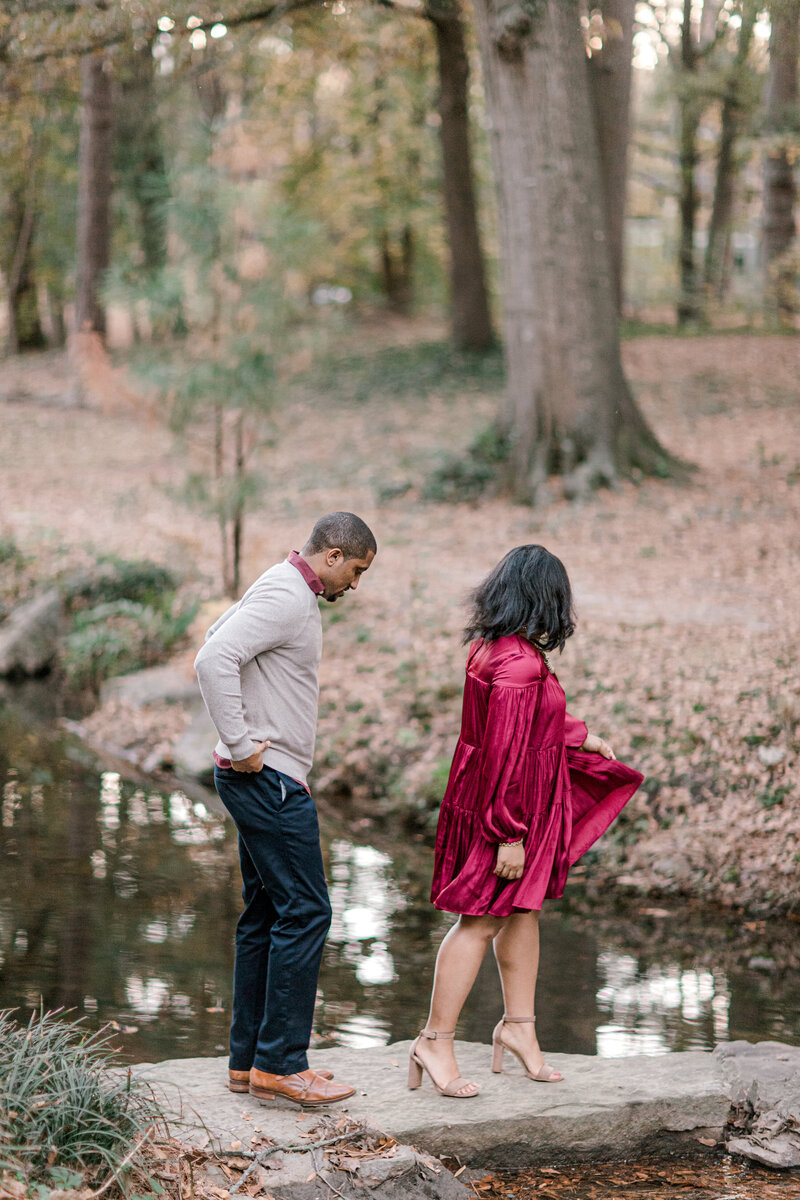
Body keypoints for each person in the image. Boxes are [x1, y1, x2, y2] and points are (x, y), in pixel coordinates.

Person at [409, 544, 643, 1099]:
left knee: (522, 912)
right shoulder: (519, 664)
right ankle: (434, 1041)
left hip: (506, 798)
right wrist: (507, 833)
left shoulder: (496, 649)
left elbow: (521, 724)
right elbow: (505, 752)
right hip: (507, 807)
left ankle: (518, 1028)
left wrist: (578, 734)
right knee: (482, 919)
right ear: (548, 599)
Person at [195, 512, 376, 1107]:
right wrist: (243, 744)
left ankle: (249, 1062)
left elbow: (217, 643)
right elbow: (212, 659)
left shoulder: (281, 584)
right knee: (307, 912)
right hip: (268, 781)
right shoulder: (287, 595)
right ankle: (281, 1064)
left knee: (267, 915)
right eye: (355, 570)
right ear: (331, 555)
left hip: (262, 778)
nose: (355, 584)